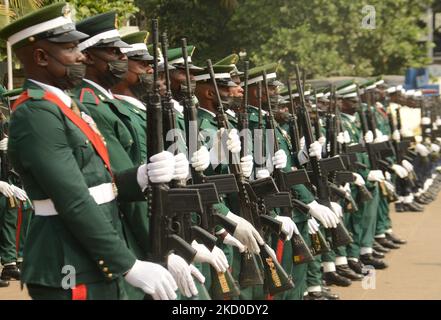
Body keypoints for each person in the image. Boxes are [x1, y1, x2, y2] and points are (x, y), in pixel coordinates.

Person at [0, 2, 192, 300]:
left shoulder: (64, 106)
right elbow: (73, 199)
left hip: (91, 258)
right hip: (68, 261)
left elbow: (99, 184)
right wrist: (127, 263)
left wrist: (140, 177)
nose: (80, 56)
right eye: (70, 49)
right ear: (40, 56)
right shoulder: (36, 114)